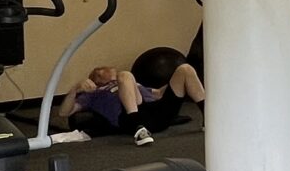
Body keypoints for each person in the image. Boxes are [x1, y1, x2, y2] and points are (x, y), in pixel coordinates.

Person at [64, 54, 205, 144]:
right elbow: (64, 112)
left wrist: (179, 81)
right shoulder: (93, 94)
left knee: (185, 69)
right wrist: (75, 89)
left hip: (157, 114)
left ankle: (210, 119)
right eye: (101, 74)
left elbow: (158, 94)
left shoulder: (131, 84)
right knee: (126, 75)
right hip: (130, 118)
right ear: (95, 80)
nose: (107, 74)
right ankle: (138, 128)